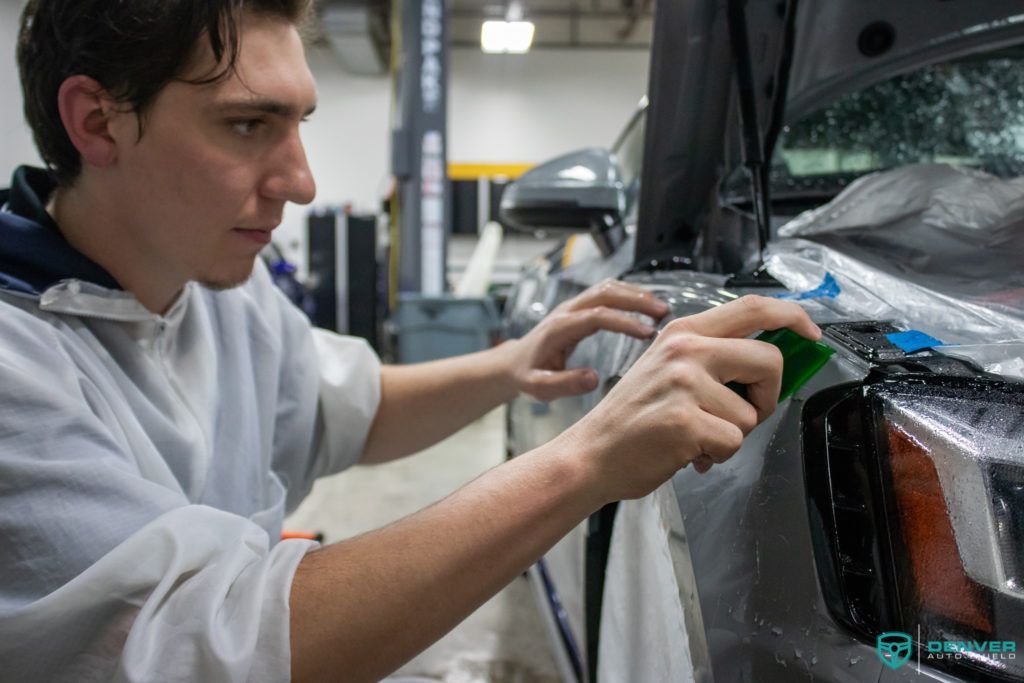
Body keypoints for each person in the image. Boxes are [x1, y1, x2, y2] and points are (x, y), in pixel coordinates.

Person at [0, 0, 821, 681]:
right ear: (97, 121)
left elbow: (347, 406)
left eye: (298, 123)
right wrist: (584, 459)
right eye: (249, 124)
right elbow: (215, 645)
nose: (303, 180)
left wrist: (514, 364)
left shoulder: (217, 287)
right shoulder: (16, 359)